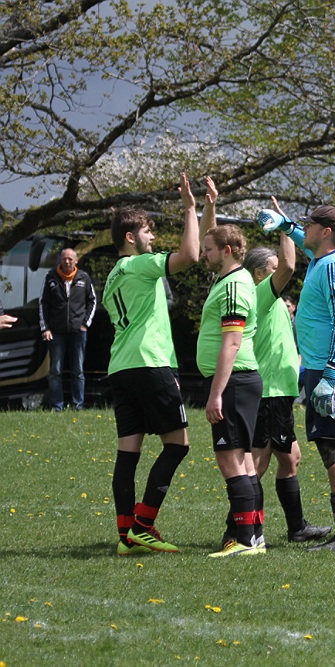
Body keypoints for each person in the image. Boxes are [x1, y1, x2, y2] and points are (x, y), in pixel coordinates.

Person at [102, 173, 200, 556]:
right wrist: (189, 209)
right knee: (178, 445)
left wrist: (204, 211)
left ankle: (126, 535)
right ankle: (143, 525)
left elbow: (197, 247)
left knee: (128, 453)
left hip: (121, 367)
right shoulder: (139, 265)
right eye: (147, 231)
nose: (153, 237)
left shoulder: (113, 275)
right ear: (130, 237)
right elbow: (190, 256)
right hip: (150, 363)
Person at [257, 201, 335, 552]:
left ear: (326, 232)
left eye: (311, 225)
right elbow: (304, 240)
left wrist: (330, 375)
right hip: (322, 367)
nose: (307, 230)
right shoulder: (323, 256)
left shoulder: (333, 267)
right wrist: (284, 225)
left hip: (331, 368)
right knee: (331, 443)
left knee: (333, 445)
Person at [242, 209, 332, 545]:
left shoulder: (273, 299)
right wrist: (283, 226)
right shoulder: (260, 294)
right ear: (258, 274)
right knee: (257, 464)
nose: (278, 270)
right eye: (272, 267)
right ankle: (242, 529)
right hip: (268, 390)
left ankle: (296, 528)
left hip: (280, 390)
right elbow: (290, 265)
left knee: (290, 458)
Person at [196, 221, 264, 557]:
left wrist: (215, 394)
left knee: (231, 462)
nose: (203, 255)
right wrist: (203, 207)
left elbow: (232, 342)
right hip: (239, 381)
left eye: (208, 250)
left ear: (226, 251)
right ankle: (254, 537)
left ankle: (245, 541)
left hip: (233, 382)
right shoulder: (229, 279)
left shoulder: (235, 285)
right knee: (245, 463)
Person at [39, 247, 96, 411]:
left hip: (78, 332)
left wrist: (85, 323)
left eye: (70, 258)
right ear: (60, 260)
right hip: (56, 332)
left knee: (78, 370)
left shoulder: (84, 277)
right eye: (64, 258)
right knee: (55, 371)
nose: (67, 261)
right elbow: (43, 303)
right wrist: (45, 328)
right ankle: (57, 406)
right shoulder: (50, 277)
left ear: (76, 261)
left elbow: (92, 301)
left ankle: (78, 405)